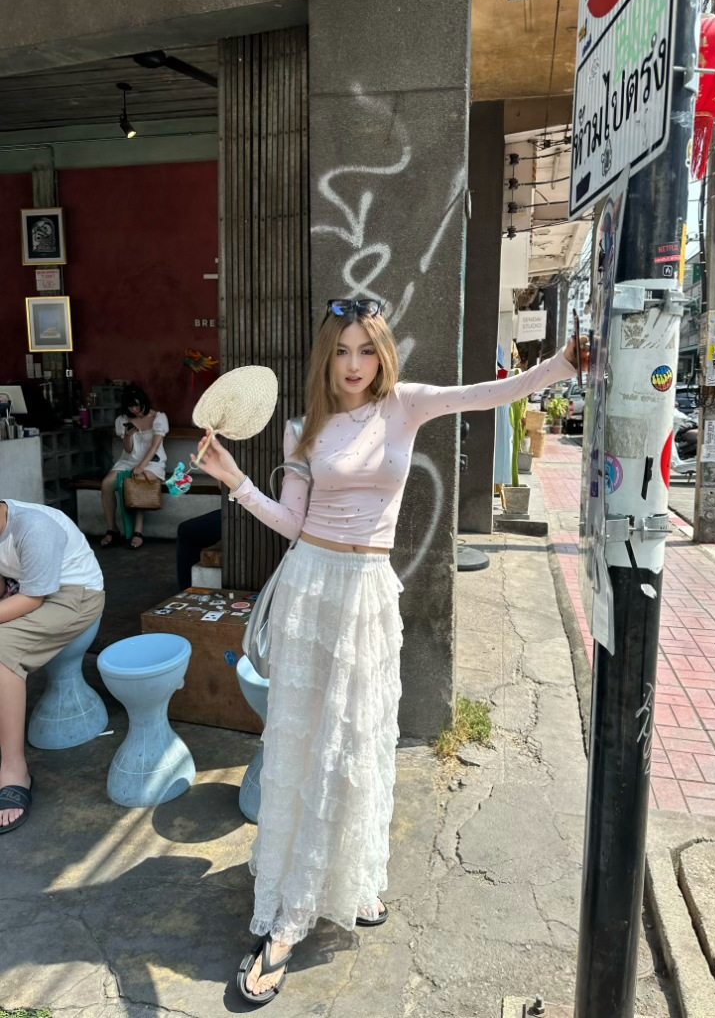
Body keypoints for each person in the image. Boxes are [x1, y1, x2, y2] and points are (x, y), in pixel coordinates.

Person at [194, 298, 586, 1005]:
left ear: (382, 353)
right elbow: (292, 522)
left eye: (366, 349)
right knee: (309, 744)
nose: (354, 365)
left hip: (369, 593)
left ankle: (351, 879)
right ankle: (288, 919)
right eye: (342, 351)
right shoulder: (303, 428)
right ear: (326, 357)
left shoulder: (407, 404)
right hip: (312, 587)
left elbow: (489, 393)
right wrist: (235, 480)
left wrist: (561, 364)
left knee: (362, 740)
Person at [0, 499, 105, 834]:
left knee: (1, 649)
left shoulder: (34, 527)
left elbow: (33, 599)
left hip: (74, 593)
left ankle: (14, 769)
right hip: (26, 587)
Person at [100, 385, 169, 549]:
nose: (135, 410)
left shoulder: (158, 417)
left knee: (138, 481)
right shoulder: (123, 419)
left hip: (152, 462)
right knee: (106, 484)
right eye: (131, 407)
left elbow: (155, 446)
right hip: (128, 460)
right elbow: (128, 449)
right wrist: (128, 435)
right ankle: (112, 529)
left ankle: (138, 531)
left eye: (137, 405)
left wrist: (142, 466)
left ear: (144, 402)